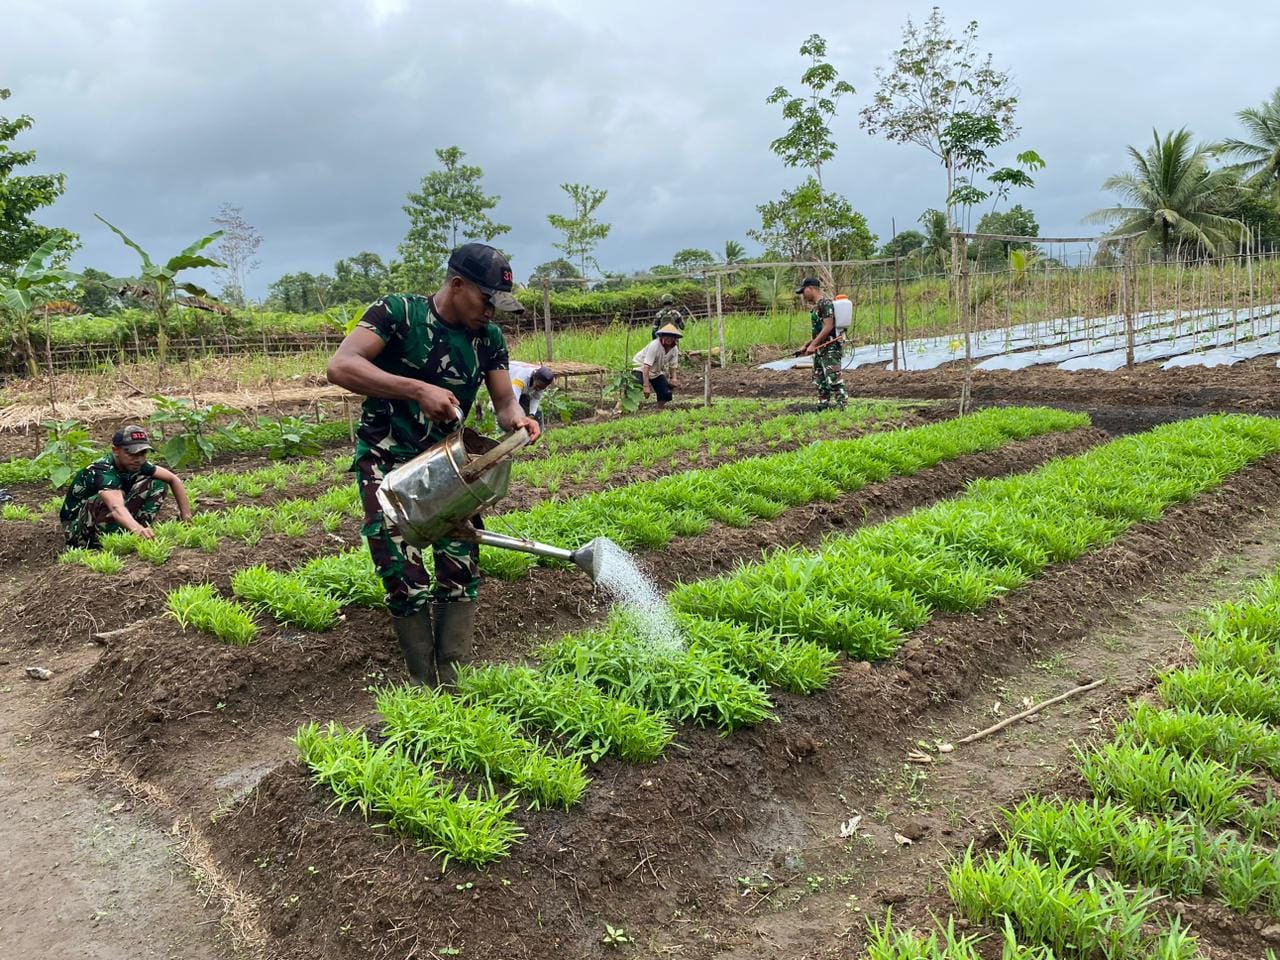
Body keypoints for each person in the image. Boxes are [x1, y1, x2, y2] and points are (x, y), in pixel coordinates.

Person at [326, 243, 541, 688]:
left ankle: (453, 680)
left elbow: (503, 402)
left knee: (460, 569)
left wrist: (518, 420)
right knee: (403, 576)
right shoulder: (397, 313)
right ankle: (423, 685)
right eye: (487, 302)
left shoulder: (489, 339)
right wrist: (417, 389)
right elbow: (341, 366)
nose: (492, 313)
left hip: (451, 467)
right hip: (388, 461)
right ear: (457, 285)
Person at [59, 424, 193, 547]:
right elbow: (116, 508)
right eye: (131, 453)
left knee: (158, 482)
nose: (138, 459)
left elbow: (173, 479)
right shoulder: (103, 470)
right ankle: (103, 543)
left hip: (109, 515)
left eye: (143, 453)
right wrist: (138, 530)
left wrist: (186, 517)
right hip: (76, 529)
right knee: (107, 498)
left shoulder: (136, 463)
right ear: (115, 450)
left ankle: (137, 532)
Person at [797, 277, 849, 410]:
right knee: (820, 379)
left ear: (810, 289)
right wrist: (807, 344)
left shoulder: (825, 304)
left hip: (830, 348)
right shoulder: (817, 306)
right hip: (820, 349)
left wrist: (813, 345)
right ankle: (823, 406)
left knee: (833, 378)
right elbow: (819, 330)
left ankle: (843, 407)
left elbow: (828, 327)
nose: (803, 295)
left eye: (804, 291)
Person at [632, 323, 682, 408]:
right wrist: (646, 386)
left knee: (665, 392)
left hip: (655, 371)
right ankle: (621, 408)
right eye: (666, 336)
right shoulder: (655, 345)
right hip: (640, 366)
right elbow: (646, 367)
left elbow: (673, 366)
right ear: (662, 336)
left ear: (675, 338)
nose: (669, 338)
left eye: (671, 336)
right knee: (635, 386)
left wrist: (674, 379)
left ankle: (660, 409)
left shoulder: (674, 349)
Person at [507, 361, 555, 427]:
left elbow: (536, 398)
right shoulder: (521, 379)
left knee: (537, 413)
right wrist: (517, 418)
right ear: (535, 378)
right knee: (507, 411)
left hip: (522, 388)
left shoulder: (543, 380)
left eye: (542, 388)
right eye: (538, 386)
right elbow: (514, 401)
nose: (538, 389)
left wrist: (531, 415)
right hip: (504, 377)